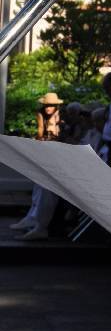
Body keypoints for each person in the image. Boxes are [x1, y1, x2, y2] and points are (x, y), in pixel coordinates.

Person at [11, 92, 63, 239]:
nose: (48, 108)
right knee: (38, 183)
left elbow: (59, 138)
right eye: (46, 105)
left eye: (51, 105)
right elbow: (41, 134)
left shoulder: (60, 118)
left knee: (46, 187)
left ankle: (40, 225)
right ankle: (32, 217)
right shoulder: (42, 115)